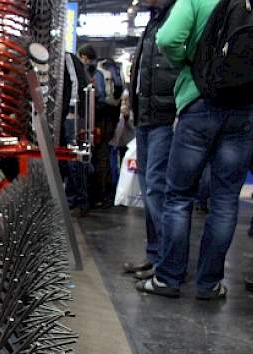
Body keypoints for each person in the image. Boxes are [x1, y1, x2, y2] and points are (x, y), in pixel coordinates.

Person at [137, 0, 253, 299]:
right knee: (226, 201)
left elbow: (167, 38)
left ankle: (168, 279)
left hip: (199, 102)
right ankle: (209, 284)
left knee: (178, 196)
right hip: (244, 108)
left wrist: (192, 61)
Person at [122, 0, 179, 280]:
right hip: (146, 116)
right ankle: (155, 255)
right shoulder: (155, 19)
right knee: (149, 189)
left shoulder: (177, 14)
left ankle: (167, 265)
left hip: (165, 117)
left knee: (158, 189)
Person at [79, 44, 124, 208]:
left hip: (95, 120)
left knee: (92, 155)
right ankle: (103, 194)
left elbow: (95, 96)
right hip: (107, 120)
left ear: (84, 56)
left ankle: (93, 195)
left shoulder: (93, 72)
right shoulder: (106, 71)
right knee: (103, 156)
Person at [60, 51, 91, 214]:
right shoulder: (68, 59)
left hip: (72, 115)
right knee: (72, 159)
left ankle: (79, 200)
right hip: (71, 115)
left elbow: (75, 88)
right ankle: (74, 199)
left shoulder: (66, 59)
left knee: (74, 160)